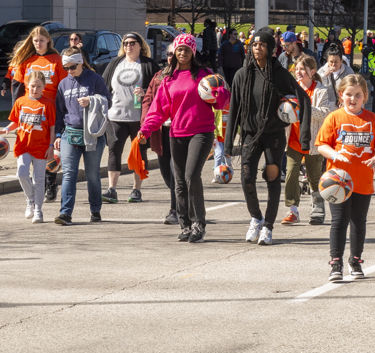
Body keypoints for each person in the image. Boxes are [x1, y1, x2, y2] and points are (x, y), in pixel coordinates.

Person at [139, 33, 230, 243]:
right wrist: (145, 129)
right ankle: (185, 224)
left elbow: (222, 102)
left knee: (191, 176)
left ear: (193, 52)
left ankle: (199, 223)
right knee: (178, 181)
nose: (182, 53)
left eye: (186, 50)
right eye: (179, 50)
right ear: (174, 52)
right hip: (176, 133)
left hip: (201, 132)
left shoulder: (205, 75)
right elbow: (158, 110)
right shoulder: (168, 79)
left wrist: (220, 92)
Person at [227, 29, 311, 246]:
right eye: (254, 45)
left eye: (263, 45)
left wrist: (304, 137)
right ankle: (256, 217)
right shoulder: (241, 75)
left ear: (271, 49)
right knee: (246, 178)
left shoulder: (280, 74)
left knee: (272, 178)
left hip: (273, 135)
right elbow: (234, 108)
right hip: (249, 135)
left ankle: (268, 227)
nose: (258, 48)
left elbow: (304, 100)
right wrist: (229, 142)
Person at [315, 74, 375, 282]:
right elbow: (321, 145)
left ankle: (355, 260)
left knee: (358, 221)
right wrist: (334, 154)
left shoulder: (372, 119)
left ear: (365, 97)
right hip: (338, 181)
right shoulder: (334, 118)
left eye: (357, 95)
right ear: (341, 95)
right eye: (348, 94)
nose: (353, 99)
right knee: (339, 222)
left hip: (363, 180)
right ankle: (335, 263)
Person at [7, 26, 68, 203]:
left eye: (42, 40)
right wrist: (16, 113)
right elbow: (18, 87)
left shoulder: (56, 60)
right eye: (35, 41)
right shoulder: (27, 60)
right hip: (29, 109)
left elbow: (64, 87)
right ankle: (35, 192)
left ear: (48, 40)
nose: (39, 43)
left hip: (51, 109)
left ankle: (50, 183)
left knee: (49, 149)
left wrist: (63, 110)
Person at [54, 48, 111, 226]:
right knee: (69, 173)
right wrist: (57, 134)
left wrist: (92, 100)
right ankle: (65, 213)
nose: (69, 71)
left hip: (92, 134)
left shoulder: (95, 79)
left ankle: (95, 209)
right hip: (70, 133)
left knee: (92, 174)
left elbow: (108, 100)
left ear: (80, 63)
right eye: (66, 68)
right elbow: (60, 111)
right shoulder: (63, 84)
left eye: (72, 67)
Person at [101, 33, 160, 204]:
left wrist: (145, 93)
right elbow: (104, 86)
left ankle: (137, 190)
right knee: (114, 151)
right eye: (125, 43)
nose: (128, 46)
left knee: (139, 153)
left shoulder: (148, 65)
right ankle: (112, 189)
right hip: (116, 116)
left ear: (140, 45)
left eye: (132, 43)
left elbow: (159, 88)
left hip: (139, 118)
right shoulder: (115, 63)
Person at [283, 55, 335, 225]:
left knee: (314, 176)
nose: (298, 72)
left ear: (312, 72)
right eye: (296, 69)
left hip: (313, 141)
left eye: (302, 69)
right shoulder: (291, 89)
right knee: (291, 174)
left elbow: (325, 112)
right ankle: (293, 210)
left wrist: (304, 107)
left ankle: (318, 207)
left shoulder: (320, 90)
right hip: (293, 140)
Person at [0, 72, 55, 223]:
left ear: (43, 87)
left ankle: (38, 210)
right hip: (23, 145)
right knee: (21, 173)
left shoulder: (47, 104)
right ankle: (30, 200)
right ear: (27, 86)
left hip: (41, 146)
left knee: (39, 179)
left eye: (38, 86)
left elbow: (52, 128)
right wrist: (6, 129)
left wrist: (51, 146)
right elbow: (15, 121)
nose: (35, 89)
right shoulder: (21, 101)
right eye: (32, 86)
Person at [141, 42, 180, 225]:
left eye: (176, 53)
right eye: (169, 54)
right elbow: (148, 99)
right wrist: (145, 124)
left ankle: (174, 210)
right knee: (166, 172)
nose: (172, 57)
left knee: (175, 171)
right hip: (161, 131)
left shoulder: (190, 76)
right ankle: (184, 203)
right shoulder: (159, 76)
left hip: (181, 132)